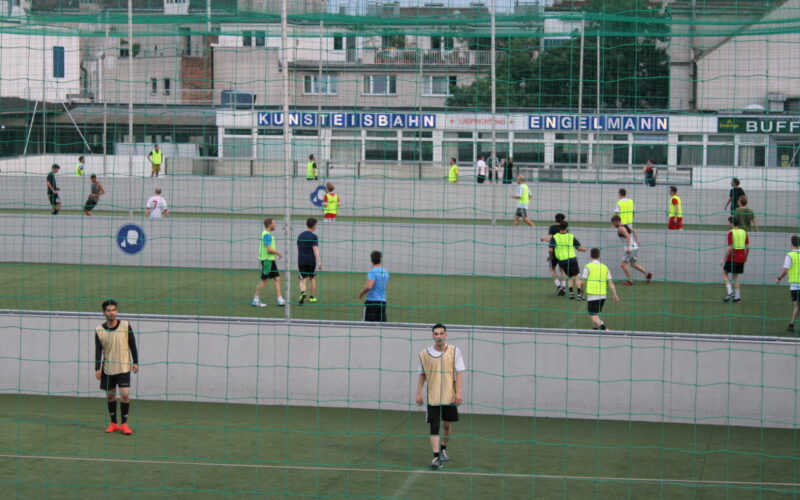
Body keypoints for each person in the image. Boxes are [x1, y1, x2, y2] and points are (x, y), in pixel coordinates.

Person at [416, 323, 465, 470]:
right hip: (433, 397)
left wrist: (459, 393)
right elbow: (422, 374)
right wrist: (418, 393)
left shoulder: (455, 351)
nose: (439, 337)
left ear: (446, 335)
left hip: (449, 397)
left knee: (446, 425)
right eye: (436, 334)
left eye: (441, 333)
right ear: (433, 336)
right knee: (434, 425)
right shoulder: (424, 354)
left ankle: (443, 448)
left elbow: (459, 373)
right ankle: (436, 457)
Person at [95, 299, 138, 435]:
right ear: (104, 313)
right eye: (108, 310)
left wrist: (136, 362)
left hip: (124, 368)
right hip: (108, 369)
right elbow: (98, 350)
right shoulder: (99, 330)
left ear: (117, 311)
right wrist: (97, 368)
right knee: (110, 397)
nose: (111, 313)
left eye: (114, 310)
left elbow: (132, 345)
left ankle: (124, 424)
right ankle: (113, 423)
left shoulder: (125, 325)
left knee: (124, 395)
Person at [578, 248, 620, 331]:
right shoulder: (605, 267)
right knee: (596, 313)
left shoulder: (588, 267)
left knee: (592, 314)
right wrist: (615, 294)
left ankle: (604, 329)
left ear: (590, 256)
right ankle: (594, 329)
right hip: (603, 295)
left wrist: (581, 292)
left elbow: (582, 283)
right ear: (599, 256)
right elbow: (611, 283)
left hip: (592, 295)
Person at [550, 221, 588, 299]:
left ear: (560, 227)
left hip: (562, 261)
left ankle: (571, 293)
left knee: (569, 276)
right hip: (572, 259)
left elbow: (550, 249)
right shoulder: (571, 236)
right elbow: (579, 248)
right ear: (567, 227)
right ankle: (579, 294)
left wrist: (551, 256)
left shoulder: (555, 237)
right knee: (577, 276)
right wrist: (584, 250)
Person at [252, 218, 285, 307]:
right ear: (270, 224)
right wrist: (278, 253)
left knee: (277, 278)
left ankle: (279, 299)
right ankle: (256, 300)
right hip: (267, 261)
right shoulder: (267, 235)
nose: (275, 225)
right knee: (264, 280)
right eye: (274, 223)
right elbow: (269, 249)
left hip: (269, 260)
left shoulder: (266, 234)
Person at [611, 215, 652, 286]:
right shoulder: (626, 226)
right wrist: (637, 240)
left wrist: (628, 247)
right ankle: (647, 274)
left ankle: (630, 281)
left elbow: (628, 236)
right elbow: (634, 231)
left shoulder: (621, 228)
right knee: (633, 264)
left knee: (623, 265)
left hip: (631, 249)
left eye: (613, 223)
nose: (612, 224)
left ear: (617, 221)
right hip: (635, 247)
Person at [722, 216, 750, 303]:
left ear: (731, 223)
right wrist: (745, 257)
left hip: (732, 257)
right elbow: (748, 247)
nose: (728, 224)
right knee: (736, 276)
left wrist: (723, 259)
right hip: (741, 258)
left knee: (724, 273)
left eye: (728, 222)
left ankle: (730, 292)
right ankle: (737, 297)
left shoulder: (730, 233)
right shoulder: (744, 232)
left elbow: (730, 248)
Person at [776, 235, 800, 333]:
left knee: (797, 305)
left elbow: (785, 270)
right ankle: (791, 324)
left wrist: (779, 278)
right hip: (796, 285)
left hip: (795, 286)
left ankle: (791, 325)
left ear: (791, 244)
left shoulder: (790, 255)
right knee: (798, 306)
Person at [358, 250, 389, 322]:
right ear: (380, 259)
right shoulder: (385, 272)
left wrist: (362, 293)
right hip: (382, 302)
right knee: (381, 325)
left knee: (368, 325)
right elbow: (385, 286)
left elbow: (369, 286)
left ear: (371, 260)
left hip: (372, 302)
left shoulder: (372, 272)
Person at [541, 213, 567, 295]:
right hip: (563, 252)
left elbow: (550, 238)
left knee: (552, 269)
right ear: (563, 220)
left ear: (555, 219)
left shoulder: (552, 227)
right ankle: (563, 287)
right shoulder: (565, 229)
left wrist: (544, 239)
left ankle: (559, 286)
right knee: (562, 270)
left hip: (553, 251)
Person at [297, 217, 322, 305]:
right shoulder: (314, 237)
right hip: (311, 261)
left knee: (302, 280)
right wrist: (319, 262)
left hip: (301, 261)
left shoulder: (300, 235)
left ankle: (303, 293)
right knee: (312, 279)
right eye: (316, 225)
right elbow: (315, 250)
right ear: (314, 225)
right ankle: (311, 297)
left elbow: (298, 248)